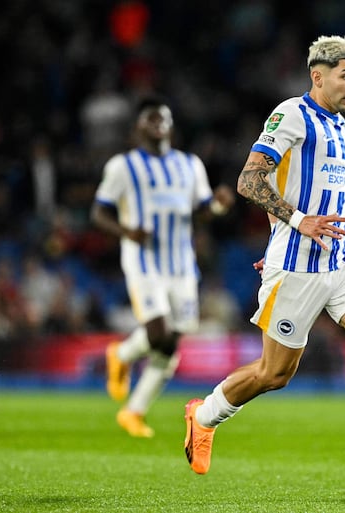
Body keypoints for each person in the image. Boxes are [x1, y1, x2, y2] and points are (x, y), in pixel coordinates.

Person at [183, 35, 345, 491]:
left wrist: (284, 226)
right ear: (318, 76)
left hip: (342, 259)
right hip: (296, 268)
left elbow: (297, 186)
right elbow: (250, 180)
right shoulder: (292, 114)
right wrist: (294, 225)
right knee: (275, 374)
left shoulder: (340, 127)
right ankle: (204, 415)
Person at [91, 95, 234, 438]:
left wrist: (217, 207)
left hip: (182, 264)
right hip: (144, 262)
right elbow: (99, 213)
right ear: (138, 127)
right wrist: (127, 232)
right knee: (157, 333)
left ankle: (133, 409)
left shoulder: (190, 164)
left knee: (170, 344)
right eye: (150, 118)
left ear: (170, 125)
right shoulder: (122, 167)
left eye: (163, 117)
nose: (158, 123)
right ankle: (123, 355)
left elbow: (202, 210)